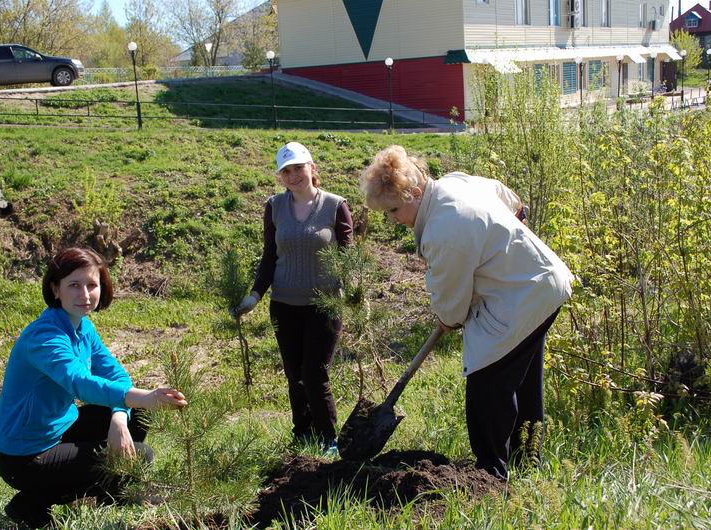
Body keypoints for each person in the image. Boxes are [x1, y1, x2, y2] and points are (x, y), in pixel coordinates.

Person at [359, 145, 573, 479]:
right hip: (541, 285)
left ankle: (490, 476)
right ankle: (528, 462)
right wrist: (510, 235)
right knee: (523, 381)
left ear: (414, 193)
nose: (394, 220)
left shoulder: (444, 230)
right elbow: (509, 198)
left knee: (486, 387)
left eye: (395, 210)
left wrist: (447, 316)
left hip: (521, 297)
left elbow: (453, 306)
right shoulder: (454, 183)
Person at [0, 247, 188, 528]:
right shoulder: (44, 336)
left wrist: (119, 418)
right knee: (141, 454)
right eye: (74, 285)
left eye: (92, 285)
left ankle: (111, 492)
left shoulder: (83, 328)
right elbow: (80, 383)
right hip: (25, 455)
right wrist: (144, 397)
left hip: (60, 431)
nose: (84, 295)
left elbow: (116, 375)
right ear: (55, 289)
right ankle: (30, 504)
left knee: (135, 416)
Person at [235, 142, 353, 455]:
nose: (293, 175)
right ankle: (301, 437)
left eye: (298, 167)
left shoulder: (335, 205)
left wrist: (354, 292)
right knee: (294, 375)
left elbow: (347, 257)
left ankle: (328, 439)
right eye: (286, 170)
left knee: (314, 373)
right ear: (280, 176)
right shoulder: (274, 207)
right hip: (284, 306)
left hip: (324, 306)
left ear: (312, 168)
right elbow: (270, 256)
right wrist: (255, 295)